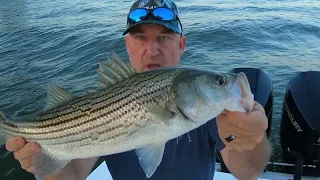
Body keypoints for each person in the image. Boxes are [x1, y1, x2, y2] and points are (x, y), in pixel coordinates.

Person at [5, 0, 272, 179]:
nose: (152, 50)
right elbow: (72, 172)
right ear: (127, 46)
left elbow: (247, 171)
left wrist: (252, 139)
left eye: (164, 38)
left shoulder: (215, 113)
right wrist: (41, 162)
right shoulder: (98, 101)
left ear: (181, 46)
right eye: (140, 37)